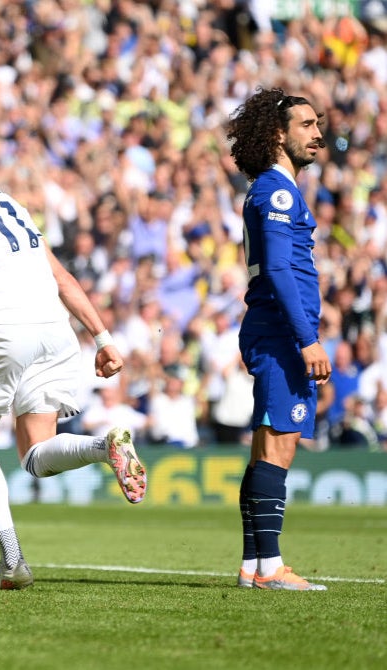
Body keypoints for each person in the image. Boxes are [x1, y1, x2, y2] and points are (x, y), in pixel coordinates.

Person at [0, 132, 146, 590]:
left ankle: (12, 563)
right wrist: (103, 336)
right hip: (54, 330)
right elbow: (59, 274)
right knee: (34, 456)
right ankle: (104, 446)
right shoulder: (6, 200)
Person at [226, 88, 331, 591]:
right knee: (278, 447)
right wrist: (307, 339)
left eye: (319, 124)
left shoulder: (275, 190)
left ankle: (253, 565)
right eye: (307, 124)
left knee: (266, 446)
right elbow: (280, 270)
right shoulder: (279, 192)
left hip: (276, 330)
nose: (318, 133)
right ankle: (271, 567)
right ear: (278, 134)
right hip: (282, 333)